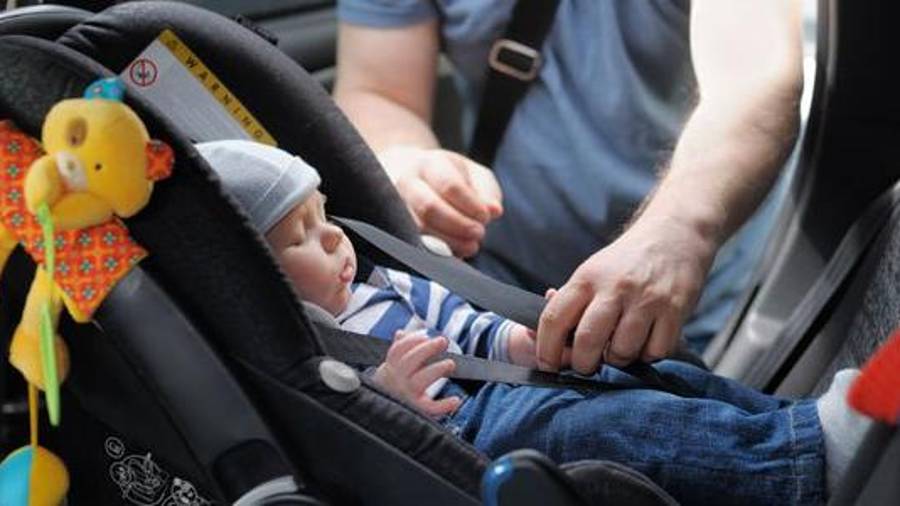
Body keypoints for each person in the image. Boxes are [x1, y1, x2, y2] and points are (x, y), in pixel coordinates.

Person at [196, 140, 870, 505]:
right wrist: (394, 396)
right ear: (260, 274)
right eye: (301, 239)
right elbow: (350, 426)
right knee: (608, 427)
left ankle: (793, 424)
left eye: (325, 219)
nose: (334, 241)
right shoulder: (308, 344)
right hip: (464, 429)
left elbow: (462, 325)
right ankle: (802, 468)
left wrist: (520, 340)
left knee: (652, 374)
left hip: (504, 384)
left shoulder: (381, 282)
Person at [331, 1, 804, 373]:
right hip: (504, 289)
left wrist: (679, 231)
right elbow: (377, 90)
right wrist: (407, 159)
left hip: (700, 296)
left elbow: (756, 78)